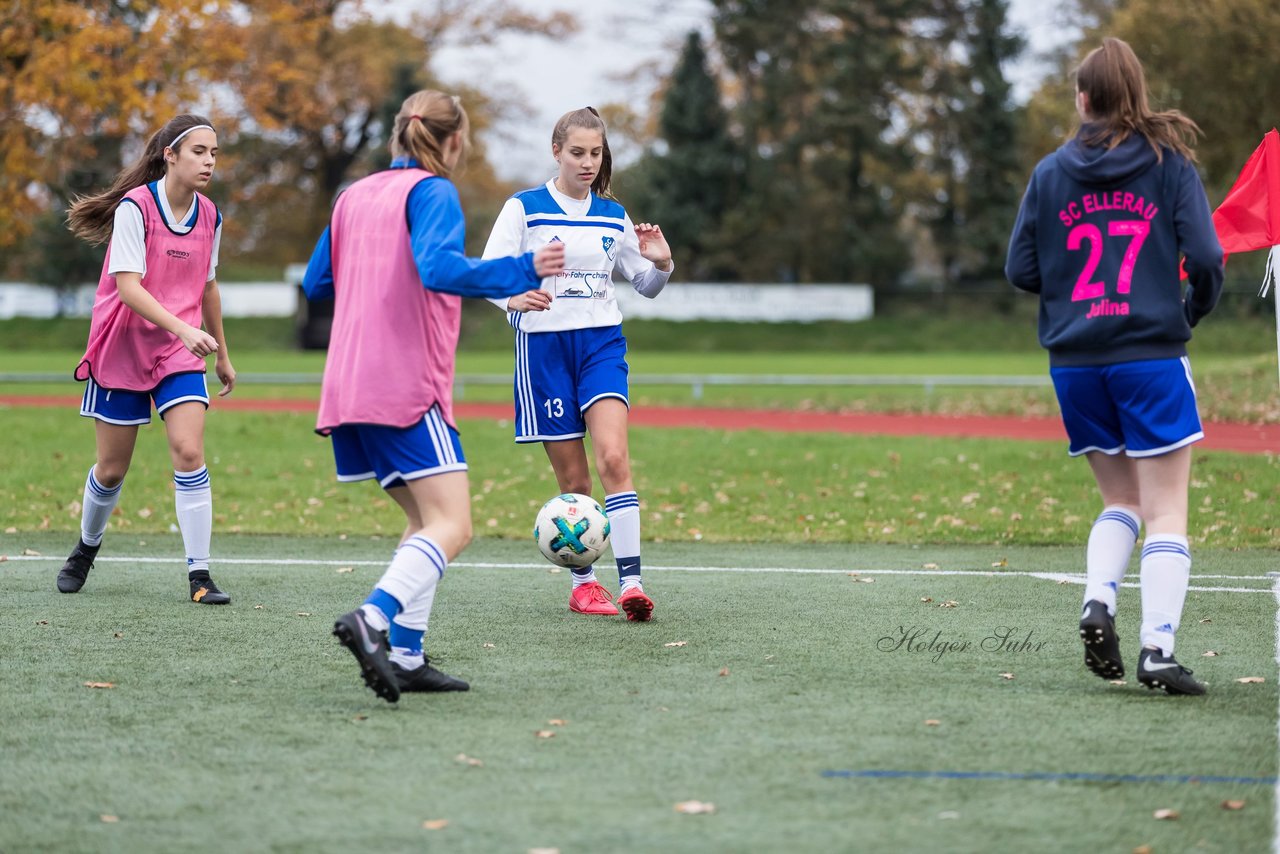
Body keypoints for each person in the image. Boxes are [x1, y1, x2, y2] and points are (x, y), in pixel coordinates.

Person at [303, 90, 565, 702]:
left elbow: (318, 282)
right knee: (454, 523)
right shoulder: (434, 192)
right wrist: (524, 269)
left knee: (422, 521)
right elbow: (438, 269)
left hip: (347, 381)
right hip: (404, 381)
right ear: (452, 141)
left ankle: (408, 655)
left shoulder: (353, 196)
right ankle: (371, 620)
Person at [1005, 38, 1223, 696]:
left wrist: (1076, 293)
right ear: (1136, 93)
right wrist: (1190, 311)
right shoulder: (1169, 163)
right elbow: (1208, 258)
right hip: (1150, 355)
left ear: (1082, 98)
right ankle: (1158, 647)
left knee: (1120, 500)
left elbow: (1020, 269)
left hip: (1075, 364)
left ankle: (1097, 600)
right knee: (1165, 510)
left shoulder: (1049, 172)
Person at [482, 107, 674, 622]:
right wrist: (511, 300)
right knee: (576, 482)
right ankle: (584, 584)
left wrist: (662, 262)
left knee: (614, 459)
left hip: (601, 344)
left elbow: (647, 287)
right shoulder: (524, 208)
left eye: (596, 153)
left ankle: (632, 584)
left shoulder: (614, 215)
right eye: (578, 153)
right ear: (556, 151)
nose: (588, 162)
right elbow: (487, 275)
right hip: (543, 351)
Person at [60, 114, 236, 606]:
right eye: (199, 151)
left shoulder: (210, 215)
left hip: (178, 351)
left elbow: (208, 286)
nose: (209, 162)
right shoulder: (136, 208)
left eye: (215, 153)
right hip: (123, 345)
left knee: (188, 452)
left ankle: (199, 576)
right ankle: (85, 548)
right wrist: (185, 327)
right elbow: (128, 288)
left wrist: (221, 352)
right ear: (171, 155)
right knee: (112, 470)